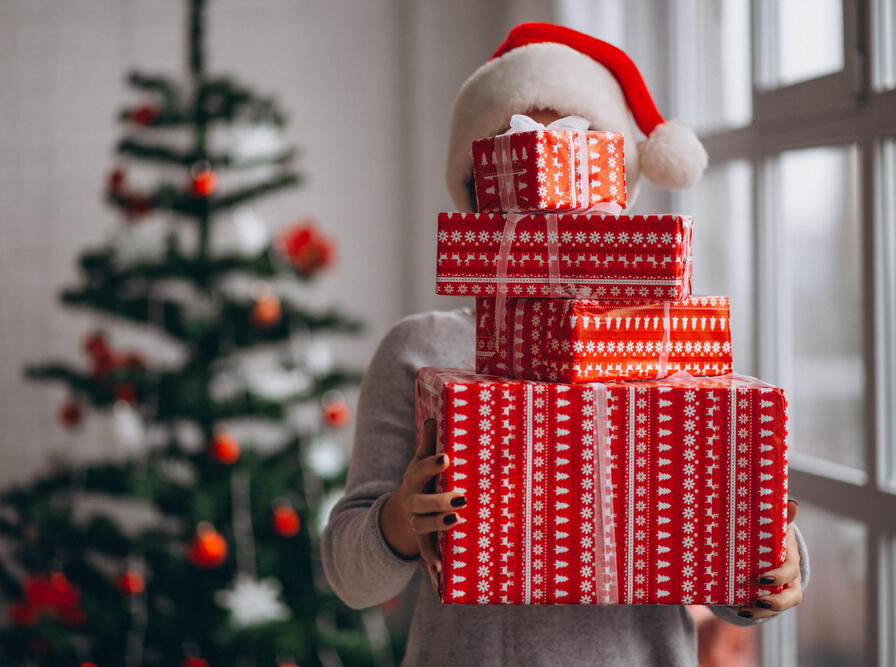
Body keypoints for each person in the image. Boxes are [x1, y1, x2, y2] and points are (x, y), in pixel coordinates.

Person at [322, 23, 808, 666]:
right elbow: (353, 578)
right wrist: (404, 518)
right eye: (517, 157)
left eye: (573, 157)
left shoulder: (658, 337)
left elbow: (726, 570)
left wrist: (775, 556)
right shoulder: (420, 350)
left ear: (616, 191)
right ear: (476, 194)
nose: (548, 198)